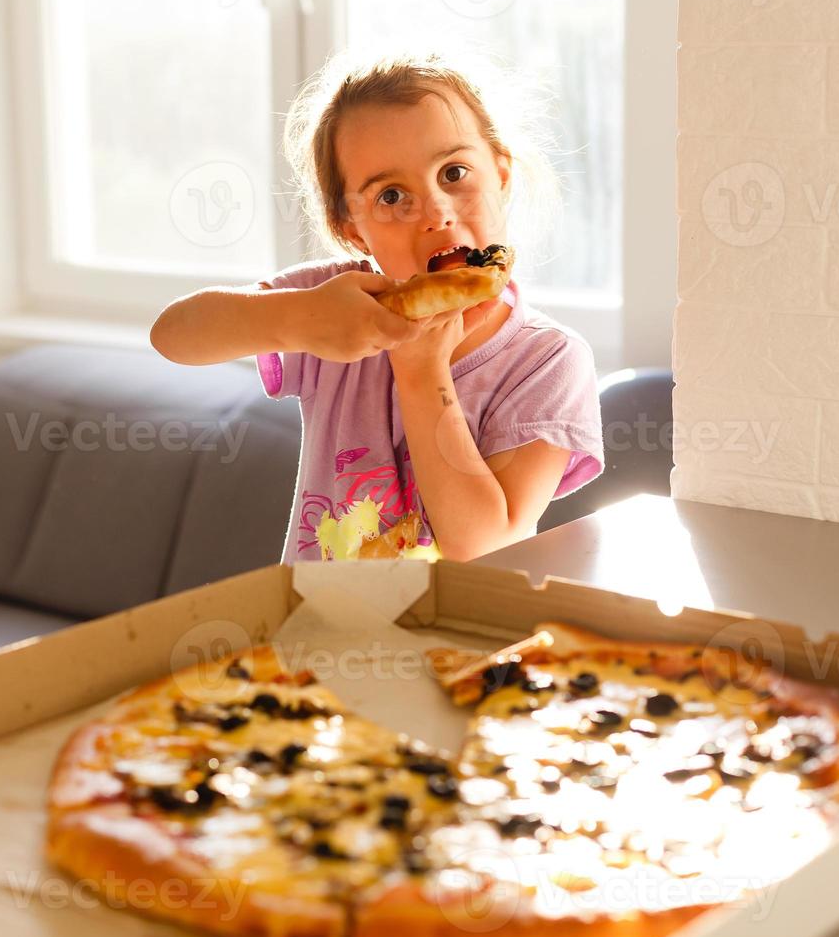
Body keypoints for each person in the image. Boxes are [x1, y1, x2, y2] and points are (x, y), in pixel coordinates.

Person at [151, 47, 604, 563]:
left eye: (454, 173)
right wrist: (297, 318)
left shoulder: (547, 362)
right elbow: (173, 334)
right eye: (391, 196)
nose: (435, 211)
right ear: (353, 231)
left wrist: (420, 370)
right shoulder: (338, 303)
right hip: (320, 633)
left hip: (464, 641)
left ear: (501, 176)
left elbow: (482, 543)